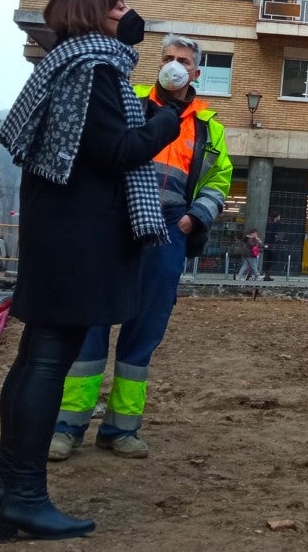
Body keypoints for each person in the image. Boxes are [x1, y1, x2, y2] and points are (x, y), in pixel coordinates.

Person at [0, 0, 180, 541]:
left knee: (33, 361)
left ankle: (3, 484)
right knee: (46, 362)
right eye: (118, 5)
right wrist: (166, 116)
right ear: (94, 14)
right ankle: (24, 495)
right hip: (78, 238)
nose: (129, 12)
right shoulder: (93, 68)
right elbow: (118, 150)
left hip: (58, 233)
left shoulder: (65, 63)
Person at [50, 34, 232, 461]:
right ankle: (67, 426)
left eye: (182, 60)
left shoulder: (209, 125)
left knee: (145, 328)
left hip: (170, 227)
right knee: (92, 320)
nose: (173, 65)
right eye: (167, 57)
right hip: (115, 221)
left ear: (196, 72)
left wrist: (194, 219)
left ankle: (120, 429)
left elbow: (219, 180)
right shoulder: (127, 99)